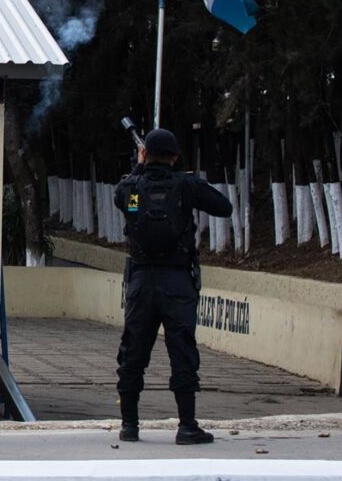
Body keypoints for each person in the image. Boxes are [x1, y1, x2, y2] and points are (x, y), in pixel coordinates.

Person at [114, 127, 232, 445]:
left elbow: (121, 197)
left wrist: (139, 167)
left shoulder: (131, 187)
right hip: (177, 281)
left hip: (140, 282)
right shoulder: (186, 184)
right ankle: (187, 426)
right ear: (175, 157)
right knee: (182, 351)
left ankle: (129, 425)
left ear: (146, 154)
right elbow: (224, 207)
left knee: (133, 351)